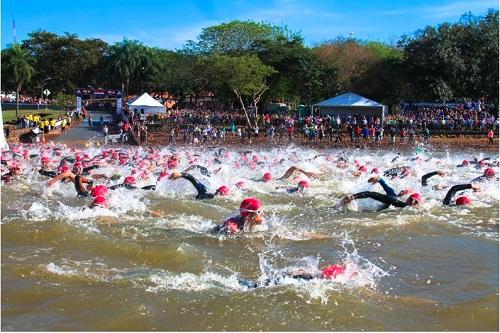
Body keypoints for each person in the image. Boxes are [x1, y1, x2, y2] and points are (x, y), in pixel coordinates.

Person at [237, 263, 352, 289]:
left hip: (294, 276)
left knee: (262, 283)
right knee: (257, 286)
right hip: (294, 279)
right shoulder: (315, 280)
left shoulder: (315, 273)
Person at [341, 191, 422, 210]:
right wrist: (354, 197)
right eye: (411, 199)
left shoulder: (416, 212)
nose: (412, 202)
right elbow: (373, 194)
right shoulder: (395, 202)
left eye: (416, 202)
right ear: (407, 198)